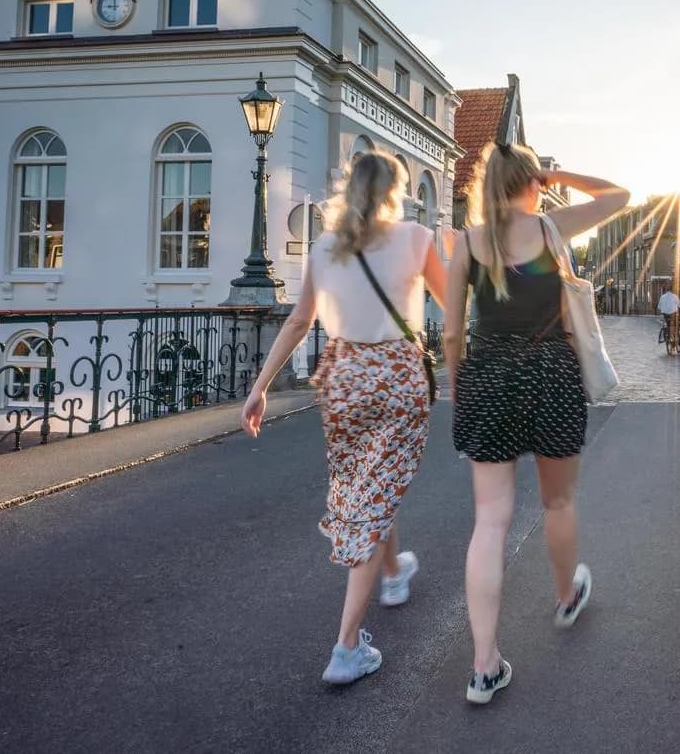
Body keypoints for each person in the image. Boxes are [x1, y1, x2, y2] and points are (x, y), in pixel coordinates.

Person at [241, 151, 447, 686]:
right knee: (375, 492)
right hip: (397, 378)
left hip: (344, 379)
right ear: (395, 191)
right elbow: (455, 307)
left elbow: (298, 322)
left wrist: (259, 388)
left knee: (367, 484)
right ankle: (347, 647)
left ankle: (394, 573)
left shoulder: (325, 248)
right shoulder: (416, 239)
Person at [443, 141, 629, 705]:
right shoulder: (551, 228)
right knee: (558, 501)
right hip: (552, 372)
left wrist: (460, 388)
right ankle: (566, 596)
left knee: (490, 520)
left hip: (489, 375)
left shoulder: (468, 243)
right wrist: (559, 174)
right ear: (532, 182)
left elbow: (451, 333)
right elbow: (619, 195)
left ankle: (484, 666)